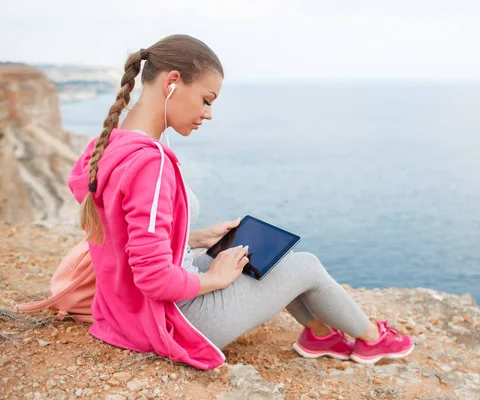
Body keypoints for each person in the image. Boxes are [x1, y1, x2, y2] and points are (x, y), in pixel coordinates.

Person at [68, 34, 414, 370]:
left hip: (124, 315)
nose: (208, 113)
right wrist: (215, 280)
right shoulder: (151, 163)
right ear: (172, 82)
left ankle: (321, 333)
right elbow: (154, 277)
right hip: (174, 320)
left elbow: (126, 236)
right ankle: (373, 338)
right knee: (304, 265)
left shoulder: (108, 147)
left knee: (263, 258)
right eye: (207, 99)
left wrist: (199, 238)